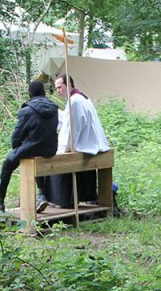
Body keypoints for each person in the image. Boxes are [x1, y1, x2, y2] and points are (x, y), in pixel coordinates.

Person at [0, 80, 58, 213]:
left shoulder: (27, 110)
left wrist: (17, 146)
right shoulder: (54, 109)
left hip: (31, 148)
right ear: (44, 92)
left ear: (30, 94)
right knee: (35, 158)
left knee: (7, 164)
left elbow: (16, 137)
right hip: (50, 149)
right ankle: (42, 194)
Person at [45, 74, 112, 207]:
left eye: (60, 87)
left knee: (56, 162)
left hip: (85, 145)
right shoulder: (82, 97)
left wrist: (63, 148)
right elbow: (67, 119)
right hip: (92, 143)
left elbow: (71, 128)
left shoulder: (74, 101)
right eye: (56, 88)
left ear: (69, 84)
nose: (58, 91)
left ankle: (60, 200)